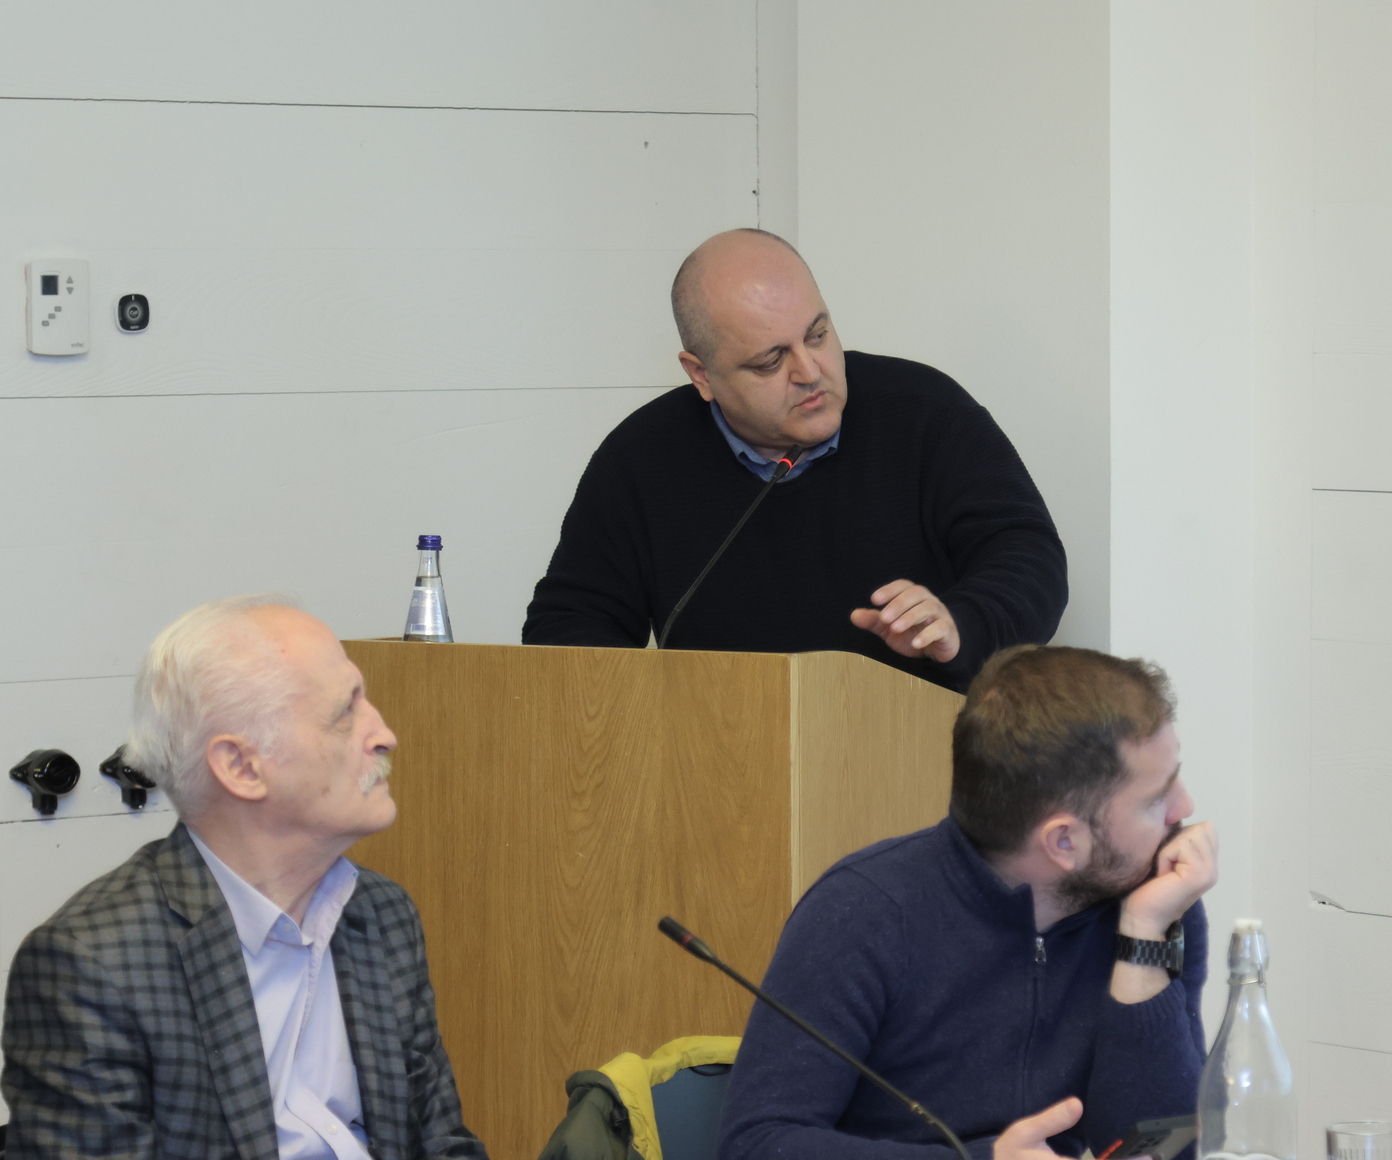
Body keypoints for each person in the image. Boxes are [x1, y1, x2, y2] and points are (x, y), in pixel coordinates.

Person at [1, 595, 486, 1160]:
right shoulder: (92, 965)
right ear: (240, 767)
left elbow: (441, 1143)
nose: (383, 734)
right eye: (344, 713)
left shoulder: (381, 912)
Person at [716, 645, 1217, 1159]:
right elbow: (757, 1144)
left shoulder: (1154, 907)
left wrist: (1143, 944)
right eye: (1157, 798)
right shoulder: (862, 912)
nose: (1185, 807)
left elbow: (1156, 1148)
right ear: (1064, 841)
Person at [521, 228, 1068, 692]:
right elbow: (569, 625)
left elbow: (1028, 556)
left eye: (817, 335)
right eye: (770, 361)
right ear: (701, 375)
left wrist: (960, 625)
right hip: (724, 757)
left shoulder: (925, 412)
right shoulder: (640, 459)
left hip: (917, 749)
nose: (810, 372)